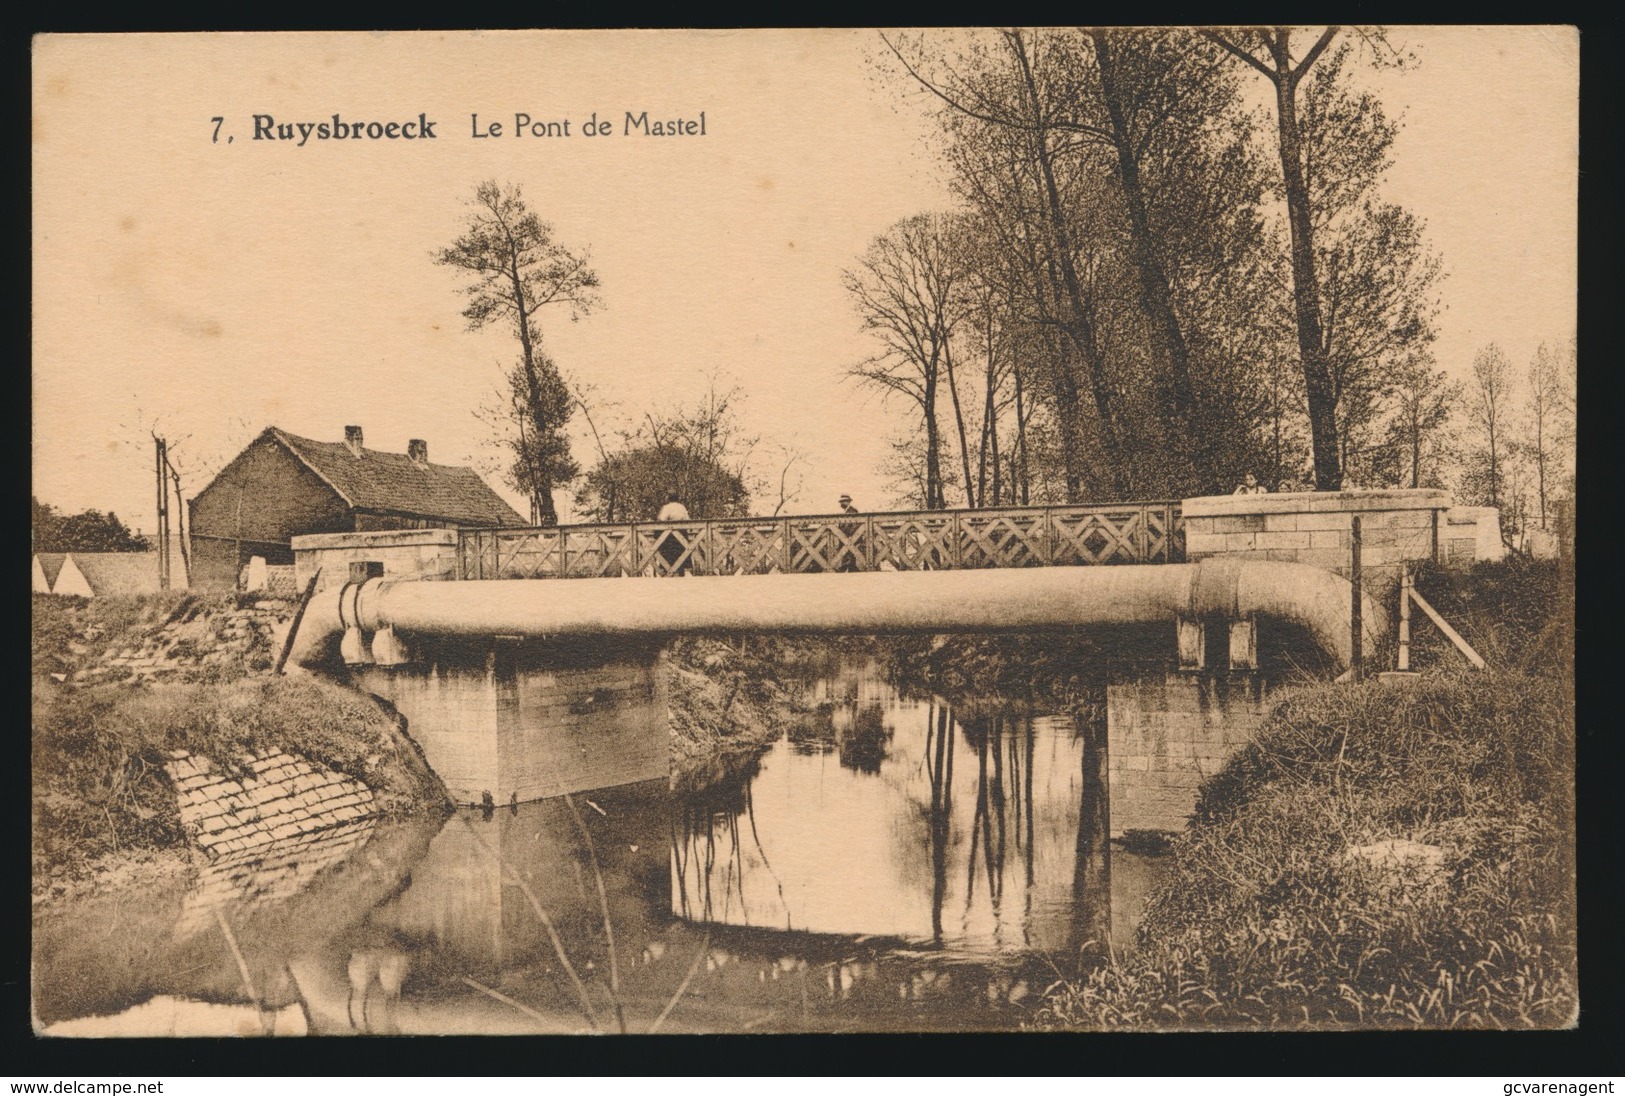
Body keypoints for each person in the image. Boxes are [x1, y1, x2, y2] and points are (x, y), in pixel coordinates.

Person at [655, 492, 692, 574]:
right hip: (682, 534)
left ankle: (667, 569)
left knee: (667, 552)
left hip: (670, 537)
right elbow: (688, 520)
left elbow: (662, 519)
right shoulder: (682, 507)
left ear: (668, 498)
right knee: (681, 553)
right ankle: (681, 570)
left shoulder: (667, 507)